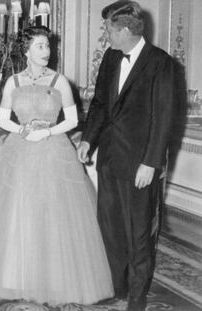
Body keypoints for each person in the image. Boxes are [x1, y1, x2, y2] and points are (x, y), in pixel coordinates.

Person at [0, 26, 114, 307]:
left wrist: (48, 132)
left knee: (52, 212)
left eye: (48, 46)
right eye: (41, 46)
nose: (47, 51)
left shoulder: (60, 81)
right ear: (26, 51)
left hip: (54, 153)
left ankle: (55, 279)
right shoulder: (13, 83)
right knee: (19, 211)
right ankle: (16, 276)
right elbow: (2, 118)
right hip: (20, 152)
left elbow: (73, 120)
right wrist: (21, 130)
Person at [76, 2, 176, 310]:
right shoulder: (110, 57)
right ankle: (115, 287)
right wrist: (88, 140)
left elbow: (163, 118)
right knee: (111, 227)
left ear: (125, 31)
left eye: (108, 30)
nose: (105, 37)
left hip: (139, 164)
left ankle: (136, 296)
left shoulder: (161, 63)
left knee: (139, 233)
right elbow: (101, 104)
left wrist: (151, 162)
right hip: (109, 158)